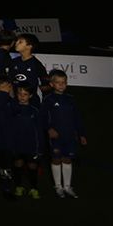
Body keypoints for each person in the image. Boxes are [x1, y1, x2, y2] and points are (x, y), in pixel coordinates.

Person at [43, 69, 86, 198]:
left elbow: (77, 118)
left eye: (64, 82)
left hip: (69, 136)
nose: (61, 85)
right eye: (58, 82)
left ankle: (67, 186)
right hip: (56, 136)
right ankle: (58, 186)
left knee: (67, 159)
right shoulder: (48, 99)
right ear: (51, 84)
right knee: (56, 159)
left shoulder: (70, 99)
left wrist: (81, 134)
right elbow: (43, 117)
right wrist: (49, 129)